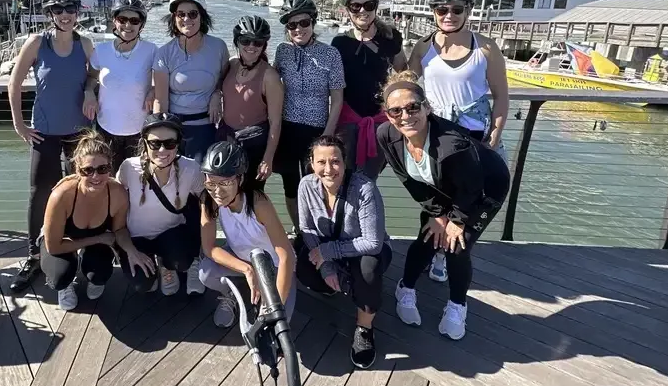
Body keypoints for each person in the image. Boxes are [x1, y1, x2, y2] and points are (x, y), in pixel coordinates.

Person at [377, 72, 510, 340]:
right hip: (442, 189)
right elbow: (407, 178)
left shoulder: (452, 144)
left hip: (484, 190)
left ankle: (457, 305)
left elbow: (471, 187)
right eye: (395, 111)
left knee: (457, 246)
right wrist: (437, 215)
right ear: (387, 115)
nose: (405, 115)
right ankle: (406, 288)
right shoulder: (386, 136)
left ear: (427, 107)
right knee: (428, 234)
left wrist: (456, 220)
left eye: (413, 107)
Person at [407, 0, 509, 284]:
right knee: (437, 204)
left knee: (469, 204)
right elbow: (407, 84)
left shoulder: (486, 48)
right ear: (434, 12)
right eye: (441, 9)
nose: (448, 15)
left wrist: (495, 135)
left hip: (476, 139)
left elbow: (501, 96)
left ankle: (449, 258)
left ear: (468, 10)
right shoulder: (424, 46)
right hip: (437, 138)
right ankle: (433, 253)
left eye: (456, 9)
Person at [8, 0, 98, 293]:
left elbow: (94, 74)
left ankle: (77, 247)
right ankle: (34, 254)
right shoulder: (37, 43)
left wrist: (88, 89)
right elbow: (15, 81)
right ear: (49, 14)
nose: (65, 16)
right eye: (58, 10)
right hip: (44, 130)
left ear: (77, 14)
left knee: (80, 191)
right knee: (40, 191)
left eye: (70, 10)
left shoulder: (85, 43)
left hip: (79, 131)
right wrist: (19, 123)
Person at [296, 135, 392, 369]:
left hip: (362, 250)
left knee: (368, 269)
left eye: (335, 161)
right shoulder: (306, 185)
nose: (329, 169)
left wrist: (328, 252)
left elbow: (373, 243)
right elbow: (307, 228)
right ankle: (337, 284)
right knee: (303, 267)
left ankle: (364, 327)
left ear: (345, 161)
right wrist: (326, 266)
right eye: (321, 162)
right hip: (330, 252)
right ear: (311, 163)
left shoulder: (364, 189)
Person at [39, 130, 154, 311]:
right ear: (78, 169)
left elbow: (120, 230)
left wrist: (132, 251)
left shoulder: (117, 193)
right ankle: (67, 282)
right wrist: (98, 239)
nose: (96, 176)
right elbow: (53, 246)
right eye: (88, 170)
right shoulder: (62, 195)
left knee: (99, 275)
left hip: (98, 239)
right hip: (63, 240)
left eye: (102, 169)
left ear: (110, 167)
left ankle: (87, 261)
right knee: (59, 277)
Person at [197, 140, 296, 329]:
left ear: (240, 179)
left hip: (273, 265)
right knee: (206, 272)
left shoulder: (258, 204)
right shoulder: (208, 201)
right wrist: (246, 269)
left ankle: (266, 296)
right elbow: (209, 247)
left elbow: (286, 257)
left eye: (225, 183)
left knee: (275, 326)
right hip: (242, 258)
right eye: (210, 184)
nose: (217, 192)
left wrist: (275, 308)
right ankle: (232, 294)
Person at [272, 0, 345, 230]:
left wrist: (328, 135)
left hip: (317, 130)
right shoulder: (282, 51)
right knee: (291, 185)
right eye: (291, 25)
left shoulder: (330, 54)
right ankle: (300, 231)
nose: (298, 29)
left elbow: (337, 99)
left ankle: (322, 231)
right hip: (287, 128)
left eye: (303, 23)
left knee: (319, 183)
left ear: (313, 23)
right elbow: (271, 83)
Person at [116, 112, 205, 296]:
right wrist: (129, 250)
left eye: (170, 143)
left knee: (181, 261)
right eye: (155, 143)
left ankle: (168, 266)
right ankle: (151, 263)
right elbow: (113, 198)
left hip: (171, 233)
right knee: (142, 284)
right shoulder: (128, 168)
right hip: (137, 237)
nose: (163, 151)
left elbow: (206, 200)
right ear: (145, 144)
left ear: (178, 143)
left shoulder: (191, 169)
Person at [331, 0, 407, 182]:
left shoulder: (391, 38)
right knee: (343, 179)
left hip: (380, 122)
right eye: (356, 6)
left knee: (368, 181)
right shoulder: (339, 43)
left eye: (369, 5)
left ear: (376, 7)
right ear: (348, 10)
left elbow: (404, 74)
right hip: (346, 121)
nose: (362, 11)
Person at [152, 0, 230, 162]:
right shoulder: (164, 53)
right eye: (181, 14)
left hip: (207, 128)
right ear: (174, 18)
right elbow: (161, 100)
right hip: (174, 128)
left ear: (202, 17)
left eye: (193, 14)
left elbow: (225, 78)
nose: (186, 19)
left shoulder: (218, 47)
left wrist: (218, 93)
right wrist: (159, 137)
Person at [215, 15, 284, 193]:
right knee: (227, 194)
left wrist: (267, 159)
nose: (251, 46)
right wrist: (216, 94)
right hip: (227, 139)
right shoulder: (231, 64)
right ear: (237, 41)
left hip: (254, 145)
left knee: (253, 196)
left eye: (258, 42)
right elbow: (217, 85)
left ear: (264, 45)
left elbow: (275, 122)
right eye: (246, 41)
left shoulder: (270, 76)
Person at [90, 0, 158, 170]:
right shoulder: (101, 51)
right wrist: (88, 93)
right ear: (114, 21)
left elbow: (162, 81)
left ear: (141, 25)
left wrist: (153, 90)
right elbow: (90, 77)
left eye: (134, 21)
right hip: (105, 129)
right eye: (123, 19)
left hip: (139, 131)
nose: (128, 26)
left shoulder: (151, 51)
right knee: (107, 182)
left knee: (137, 184)